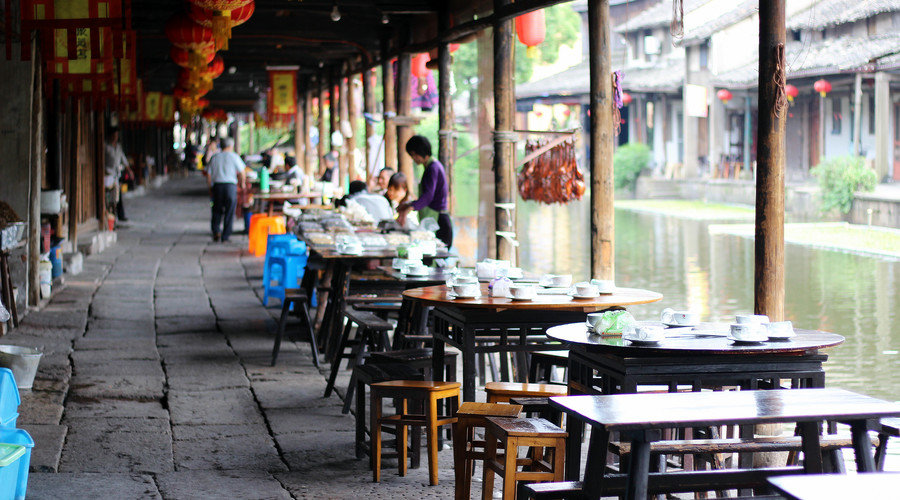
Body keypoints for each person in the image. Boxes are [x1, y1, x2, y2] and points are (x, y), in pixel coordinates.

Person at [398, 135, 452, 247]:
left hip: (439, 221)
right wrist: (409, 204)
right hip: (436, 218)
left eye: (413, 155)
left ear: (419, 153)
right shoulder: (431, 167)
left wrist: (408, 209)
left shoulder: (433, 168)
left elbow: (428, 196)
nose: (413, 158)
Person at [206, 137, 247, 242]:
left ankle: (216, 231)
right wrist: (242, 183)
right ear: (230, 146)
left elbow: (208, 174)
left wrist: (210, 187)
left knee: (216, 210)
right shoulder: (234, 156)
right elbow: (242, 172)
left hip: (217, 187)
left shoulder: (215, 157)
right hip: (230, 187)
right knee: (230, 211)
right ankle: (226, 235)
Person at [105, 126, 133, 222]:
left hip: (116, 174)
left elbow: (123, 158)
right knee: (109, 196)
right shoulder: (106, 146)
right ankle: (110, 215)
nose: (115, 137)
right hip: (107, 174)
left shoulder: (118, 147)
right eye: (114, 135)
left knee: (117, 195)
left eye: (116, 135)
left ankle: (119, 215)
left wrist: (129, 170)